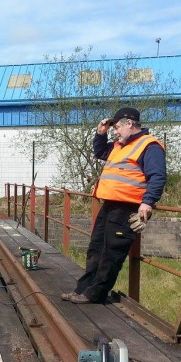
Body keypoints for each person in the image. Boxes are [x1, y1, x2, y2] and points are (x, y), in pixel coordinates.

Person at [62, 107, 166, 305]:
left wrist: (148, 202)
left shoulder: (150, 146)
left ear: (129, 123)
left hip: (127, 208)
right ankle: (83, 290)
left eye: (117, 127)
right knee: (96, 248)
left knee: (112, 253)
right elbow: (100, 151)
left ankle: (95, 294)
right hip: (109, 205)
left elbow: (157, 176)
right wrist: (101, 133)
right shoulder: (120, 145)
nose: (115, 131)